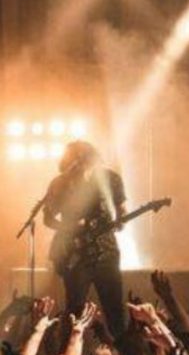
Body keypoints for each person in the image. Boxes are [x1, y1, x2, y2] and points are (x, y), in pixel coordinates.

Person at [42, 141, 128, 343]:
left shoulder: (111, 179)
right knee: (74, 308)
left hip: (106, 252)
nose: (75, 163)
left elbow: (122, 210)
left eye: (78, 158)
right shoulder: (60, 183)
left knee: (115, 308)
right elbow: (48, 218)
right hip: (75, 254)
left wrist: (120, 222)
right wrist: (71, 227)